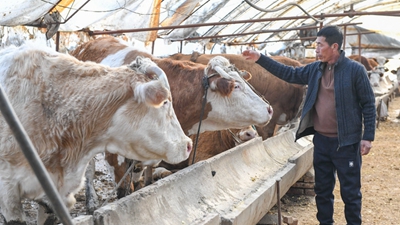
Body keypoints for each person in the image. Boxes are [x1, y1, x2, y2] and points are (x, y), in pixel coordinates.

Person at [242, 25, 376, 225]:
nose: (316, 49)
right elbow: (289, 73)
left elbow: (368, 104)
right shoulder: (315, 70)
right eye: (316, 45)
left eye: (320, 45)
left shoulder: (355, 71)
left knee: (350, 193)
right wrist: (260, 58)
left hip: (347, 143)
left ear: (334, 46)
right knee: (322, 191)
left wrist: (368, 136)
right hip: (321, 141)